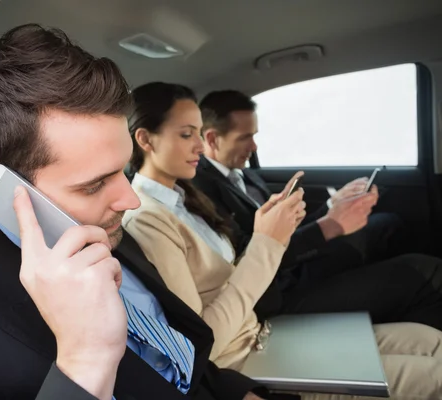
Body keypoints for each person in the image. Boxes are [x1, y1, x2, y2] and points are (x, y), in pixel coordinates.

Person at [0, 25, 295, 400]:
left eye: (121, 171)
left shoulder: (102, 227)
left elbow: (181, 359)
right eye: (93, 184)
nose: (131, 199)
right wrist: (85, 362)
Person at [122, 81, 442, 400]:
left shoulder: (186, 198)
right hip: (242, 359)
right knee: (433, 377)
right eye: (186, 134)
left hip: (265, 333)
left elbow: (236, 268)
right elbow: (202, 343)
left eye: (198, 132)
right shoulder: (148, 218)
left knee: (430, 341)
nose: (201, 147)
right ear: (146, 139)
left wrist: (281, 227)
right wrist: (266, 243)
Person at [193, 90, 442, 327]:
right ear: (213, 139)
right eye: (245, 137)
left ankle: (388, 298)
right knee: (429, 271)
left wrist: (332, 206)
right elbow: (244, 255)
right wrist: (328, 227)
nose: (255, 146)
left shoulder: (245, 176)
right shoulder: (202, 191)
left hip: (300, 264)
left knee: (387, 223)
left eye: (254, 135)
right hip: (279, 291)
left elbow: (288, 227)